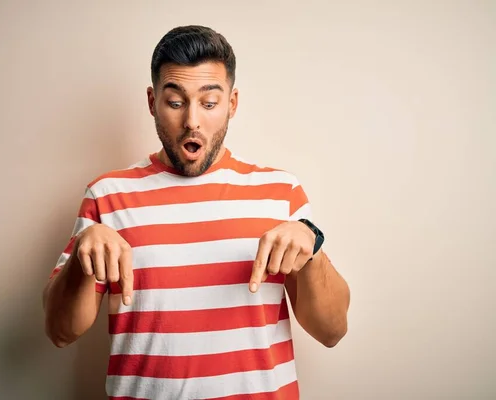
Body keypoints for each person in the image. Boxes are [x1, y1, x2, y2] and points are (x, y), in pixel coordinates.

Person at [43, 25, 350, 399]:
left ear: (232, 104)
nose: (192, 121)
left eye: (209, 103)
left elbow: (332, 331)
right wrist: (82, 251)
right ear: (152, 101)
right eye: (175, 102)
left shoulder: (280, 193)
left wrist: (310, 245)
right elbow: (60, 332)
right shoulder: (107, 195)